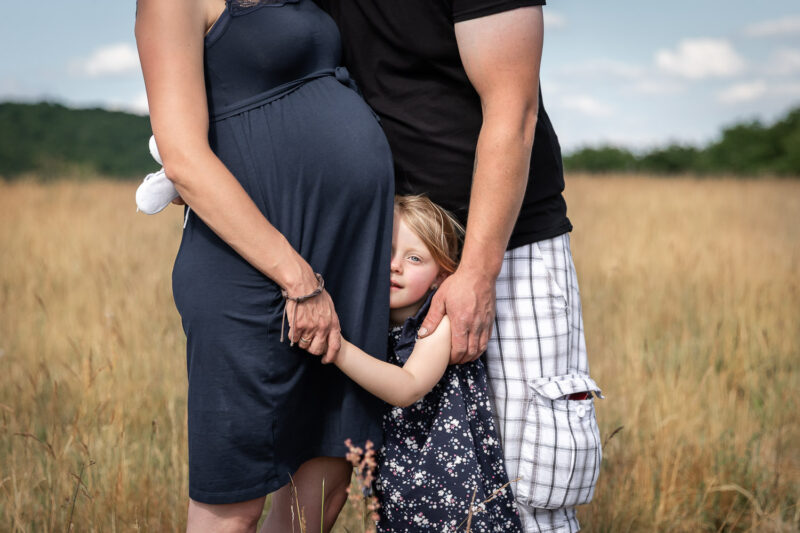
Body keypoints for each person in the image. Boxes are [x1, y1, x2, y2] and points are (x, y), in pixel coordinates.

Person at [316, 1, 604, 531]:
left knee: (532, 487)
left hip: (506, 247)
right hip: (381, 252)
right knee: (408, 487)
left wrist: (475, 272)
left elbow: (513, 108)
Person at [134, 0, 394, 531]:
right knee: (235, 499)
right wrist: (299, 282)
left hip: (347, 256)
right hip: (258, 269)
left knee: (329, 473)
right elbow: (183, 157)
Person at [321, 195, 523, 532]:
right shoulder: (370, 323)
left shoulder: (438, 323)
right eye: (386, 252)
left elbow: (408, 388)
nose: (394, 265)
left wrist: (338, 348)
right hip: (397, 482)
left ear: (441, 276)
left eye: (414, 258)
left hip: (450, 487)